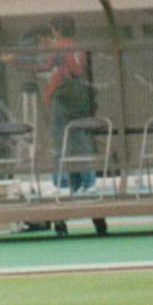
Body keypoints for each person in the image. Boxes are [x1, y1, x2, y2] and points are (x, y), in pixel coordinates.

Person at [41, 18, 97, 191]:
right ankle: (87, 180)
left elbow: (50, 69)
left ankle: (63, 181)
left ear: (58, 31)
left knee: (59, 139)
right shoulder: (79, 48)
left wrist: (49, 93)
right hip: (79, 98)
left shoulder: (59, 48)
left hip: (63, 98)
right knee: (79, 139)